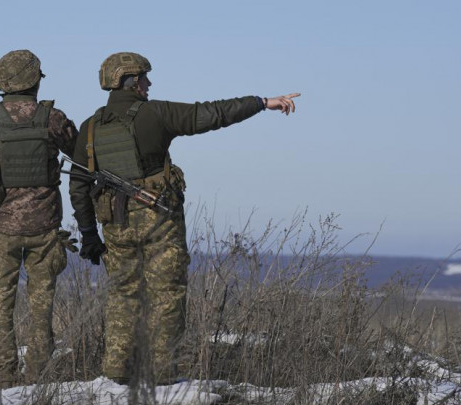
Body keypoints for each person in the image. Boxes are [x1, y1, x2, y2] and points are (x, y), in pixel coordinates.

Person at [69, 51, 299, 385]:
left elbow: (78, 184)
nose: (149, 83)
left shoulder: (89, 129)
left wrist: (90, 234)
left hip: (115, 226)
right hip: (159, 222)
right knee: (167, 296)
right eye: (144, 78)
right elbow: (213, 114)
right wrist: (262, 102)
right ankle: (163, 379)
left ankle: (112, 381)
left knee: (122, 296)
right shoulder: (156, 113)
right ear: (130, 82)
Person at [0, 50, 78, 393]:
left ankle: (4, 380)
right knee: (42, 308)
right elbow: (83, 155)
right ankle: (36, 379)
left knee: (1, 309)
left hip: (0, 229)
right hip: (44, 230)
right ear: (35, 80)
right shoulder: (52, 118)